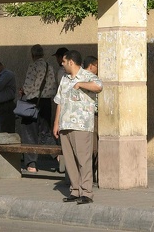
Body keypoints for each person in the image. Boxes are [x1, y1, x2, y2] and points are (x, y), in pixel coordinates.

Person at [53, 50, 102, 205]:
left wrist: (81, 84)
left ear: (71, 62)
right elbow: (59, 101)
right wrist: (56, 123)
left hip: (81, 125)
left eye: (64, 61)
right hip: (65, 124)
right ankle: (75, 191)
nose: (62, 63)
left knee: (83, 159)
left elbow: (99, 86)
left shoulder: (87, 76)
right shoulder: (65, 79)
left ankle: (86, 192)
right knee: (70, 160)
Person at [19, 44, 57, 173]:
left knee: (29, 132)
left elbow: (29, 86)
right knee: (45, 131)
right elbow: (52, 86)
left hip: (32, 102)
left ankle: (31, 164)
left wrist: (23, 91)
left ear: (32, 54)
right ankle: (58, 156)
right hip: (46, 102)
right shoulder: (49, 66)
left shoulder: (33, 66)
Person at [83, 56, 99, 187]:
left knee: (94, 148)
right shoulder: (87, 78)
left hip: (93, 116)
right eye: (97, 66)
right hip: (90, 116)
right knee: (93, 148)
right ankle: (91, 177)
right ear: (91, 66)